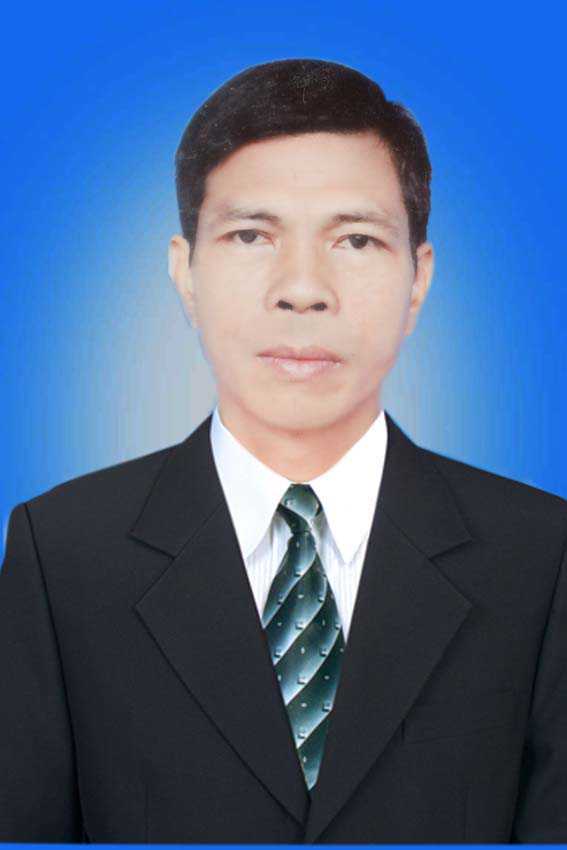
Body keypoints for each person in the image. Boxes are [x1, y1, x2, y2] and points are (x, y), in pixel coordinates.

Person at [1, 57, 566, 845]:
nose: (302, 288)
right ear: (185, 273)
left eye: (356, 239)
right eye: (250, 235)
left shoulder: (539, 555)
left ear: (417, 281)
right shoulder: (63, 552)